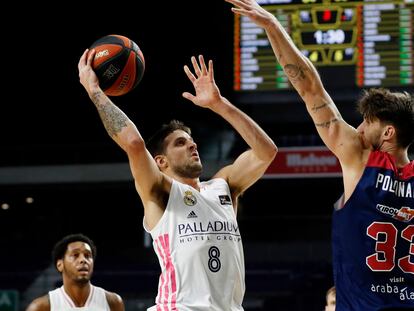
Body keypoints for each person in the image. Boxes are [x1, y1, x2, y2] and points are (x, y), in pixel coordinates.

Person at [226, 0, 414, 310]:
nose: (359, 127)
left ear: (388, 133)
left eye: (368, 122)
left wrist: (273, 27)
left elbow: (310, 88)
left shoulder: (360, 157)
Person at [78, 48, 277, 310]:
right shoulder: (160, 193)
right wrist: (95, 91)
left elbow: (267, 152)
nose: (193, 146)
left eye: (192, 142)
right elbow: (135, 143)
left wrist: (220, 105)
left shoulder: (223, 186)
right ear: (161, 161)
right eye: (181, 143)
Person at [25, 233, 124, 311]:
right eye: (75, 255)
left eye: (87, 255)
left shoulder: (113, 302)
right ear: (60, 265)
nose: (83, 260)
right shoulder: (41, 307)